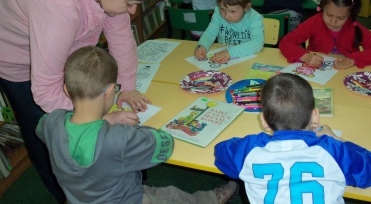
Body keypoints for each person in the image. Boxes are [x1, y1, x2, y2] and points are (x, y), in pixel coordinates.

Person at [0, 0, 159, 202]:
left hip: (57, 42)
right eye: (130, 3)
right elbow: (45, 91)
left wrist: (127, 88)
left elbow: (121, 38)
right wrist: (95, 118)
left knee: (92, 111)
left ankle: (117, 176)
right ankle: (67, 195)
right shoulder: (58, 6)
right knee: (46, 129)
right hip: (15, 57)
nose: (132, 11)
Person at [36, 46, 239, 204]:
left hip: (93, 196)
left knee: (170, 193)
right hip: (127, 199)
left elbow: (45, 127)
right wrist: (127, 128)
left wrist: (107, 119)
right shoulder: (119, 139)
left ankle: (209, 199)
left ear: (66, 90)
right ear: (108, 92)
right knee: (162, 197)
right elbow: (164, 145)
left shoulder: (52, 122)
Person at [214, 73, 371, 203]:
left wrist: (252, 141)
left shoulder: (250, 149)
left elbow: (221, 151)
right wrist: (337, 139)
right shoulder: (333, 150)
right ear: (315, 117)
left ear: (264, 121)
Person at [279, 0, 371, 69]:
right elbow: (286, 42)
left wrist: (355, 59)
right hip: (318, 72)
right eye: (329, 14)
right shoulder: (315, 22)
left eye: (341, 18)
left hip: (346, 73)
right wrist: (305, 56)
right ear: (323, 6)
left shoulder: (354, 27)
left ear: (351, 14)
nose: (333, 22)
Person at [194, 0, 264, 63]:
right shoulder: (217, 13)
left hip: (246, 59)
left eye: (233, 11)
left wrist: (230, 52)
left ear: (246, 7)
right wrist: (202, 46)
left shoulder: (254, 18)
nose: (226, 16)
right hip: (224, 59)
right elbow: (210, 33)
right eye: (222, 9)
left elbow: (257, 43)